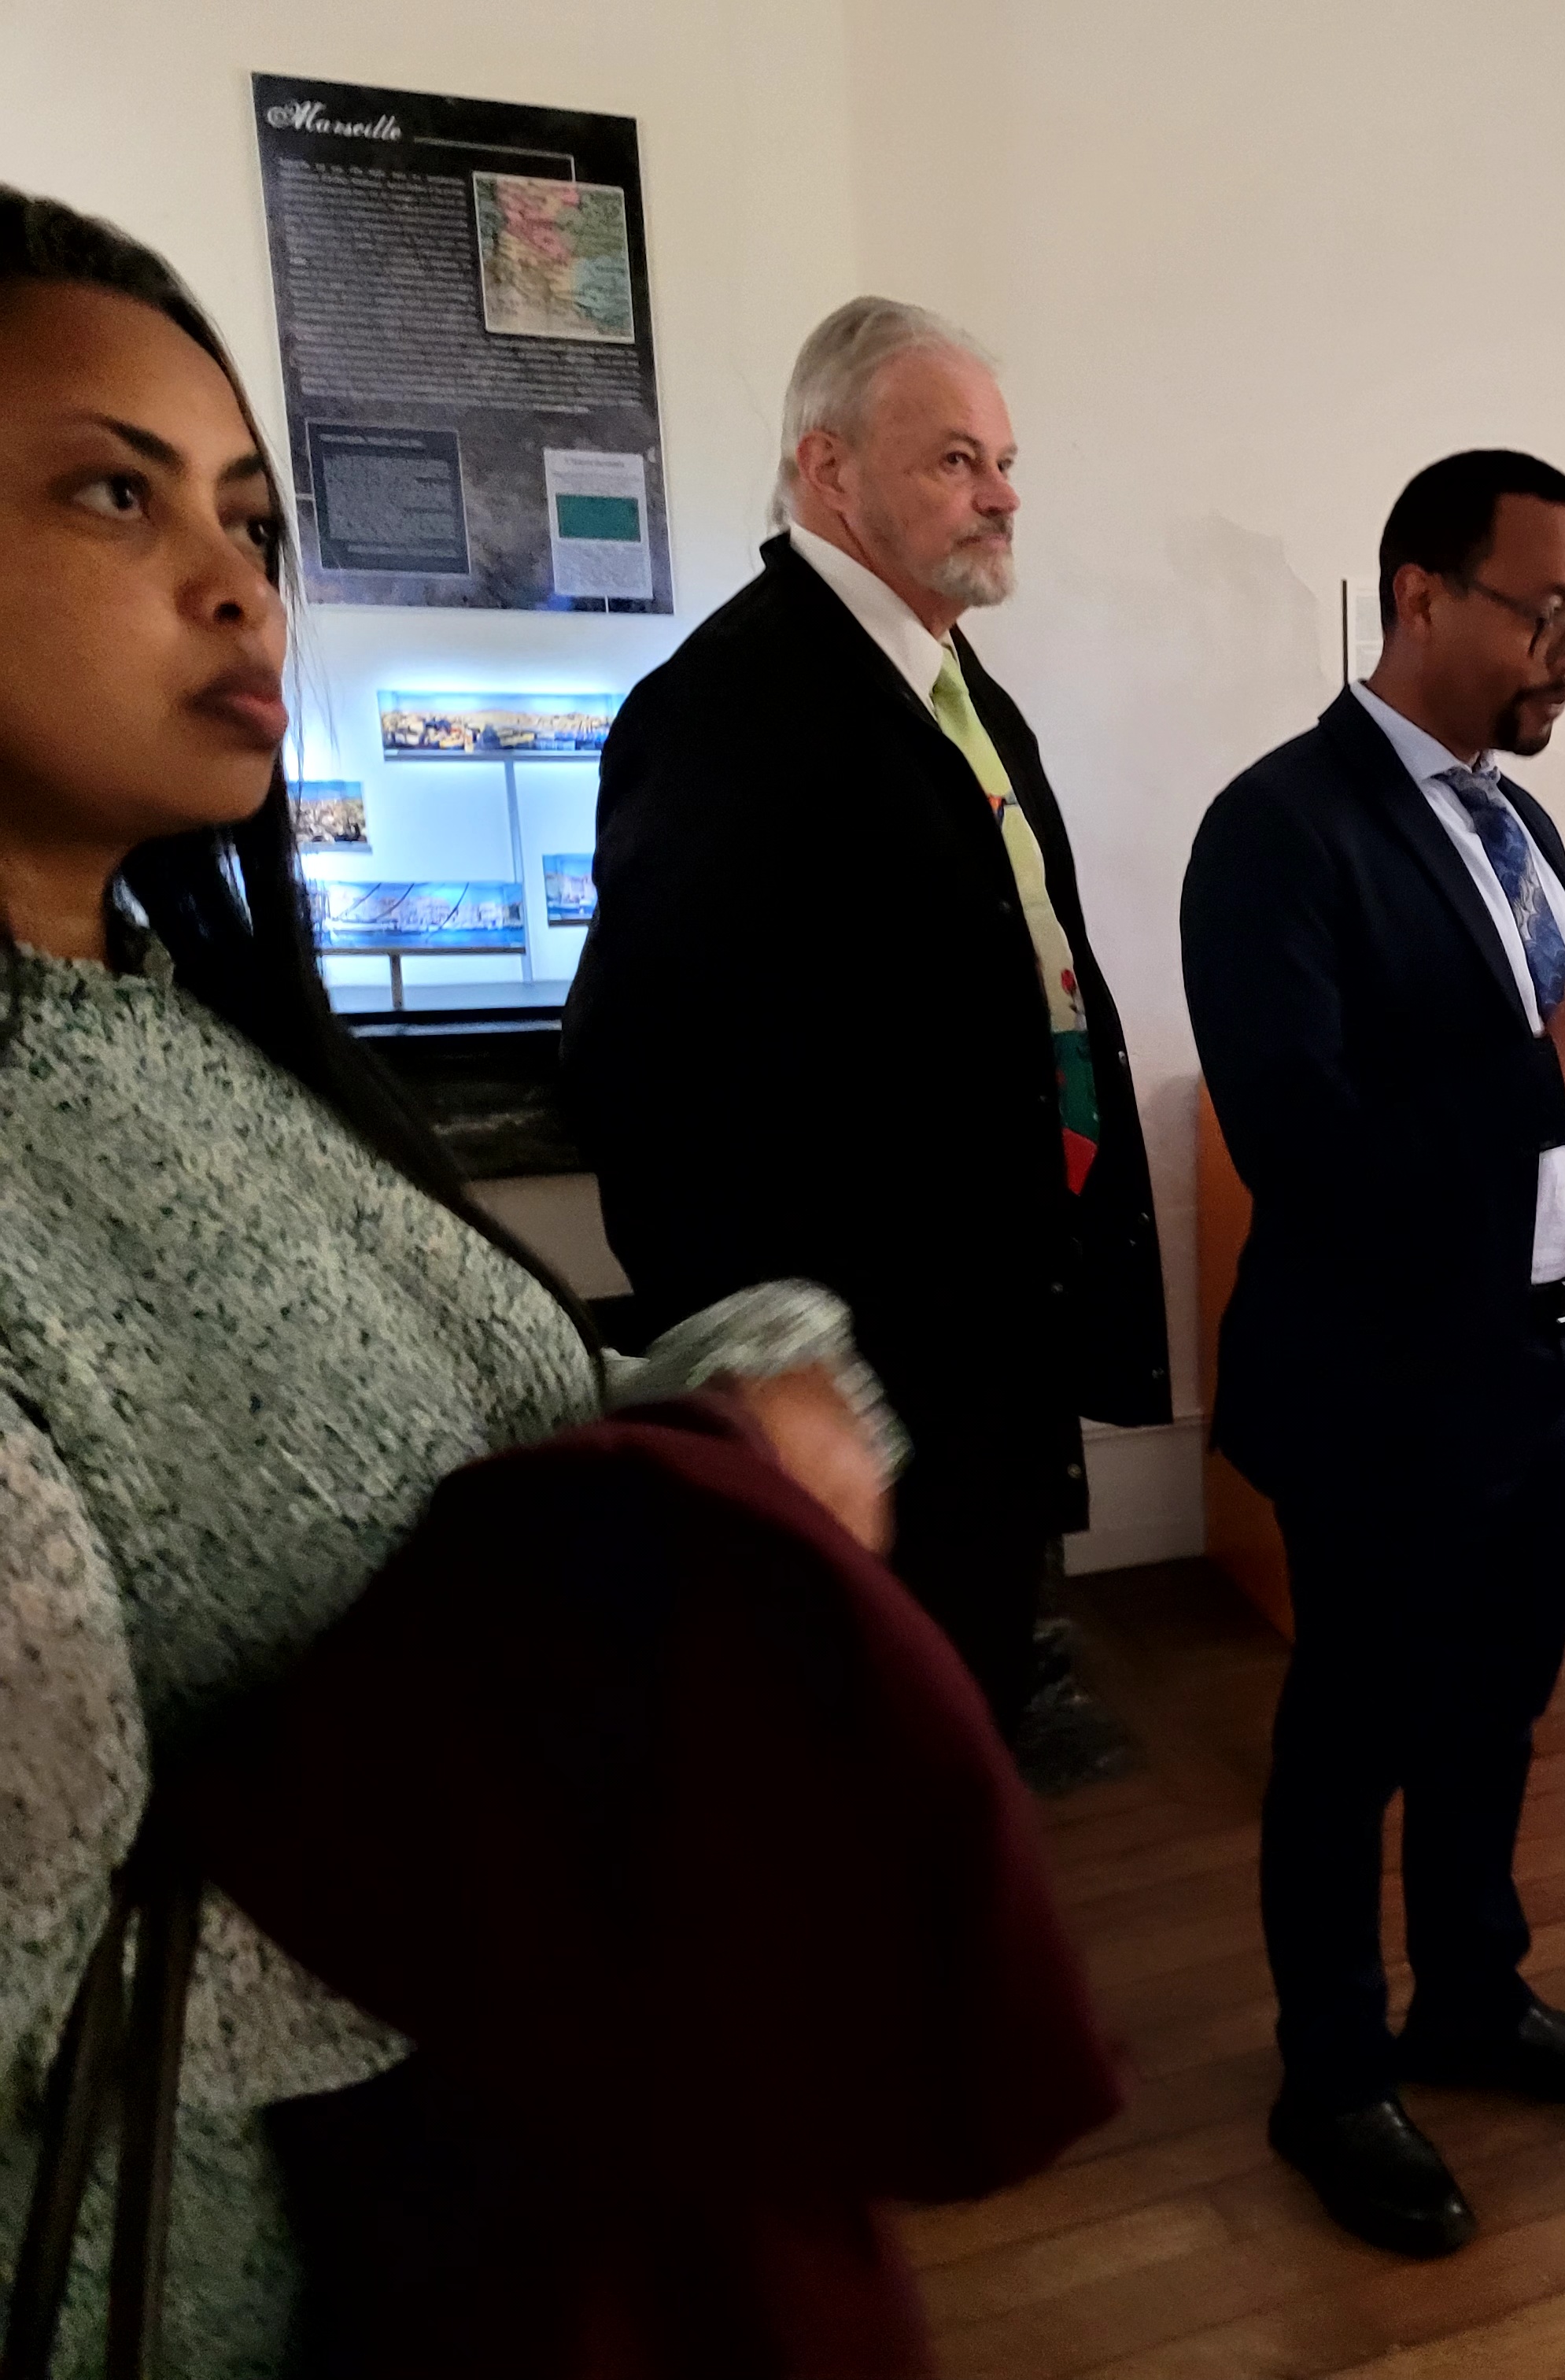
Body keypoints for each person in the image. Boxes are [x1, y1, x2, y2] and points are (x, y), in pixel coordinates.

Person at [0, 190, 904, 2371]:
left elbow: (474, 1431)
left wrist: (737, 1397)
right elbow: (73, 2002)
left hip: (520, 2217)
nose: (239, 583)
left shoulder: (210, 1037)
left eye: (250, 517)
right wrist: (628, 1706)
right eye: (114, 495)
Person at [1181, 450, 1565, 2257]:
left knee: (1493, 1715)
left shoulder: (1512, 826)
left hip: (1552, 1366)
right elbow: (1307, 1153)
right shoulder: (1276, 831)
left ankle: (1470, 1996)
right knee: (1350, 1740)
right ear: (1421, 594)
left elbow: (1560, 1103)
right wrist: (1561, 1061)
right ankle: (1330, 2075)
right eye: (1548, 614)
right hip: (1386, 1388)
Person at [564, 297, 1170, 1754]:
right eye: (958, 460)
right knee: (870, 1765)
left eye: (1005, 462)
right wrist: (776, 1375)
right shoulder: (724, 708)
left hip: (989, 1353)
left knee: (955, 1742)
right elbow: (646, 1083)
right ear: (827, 469)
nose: (1003, 494)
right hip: (866, 1390)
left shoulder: (961, 694)